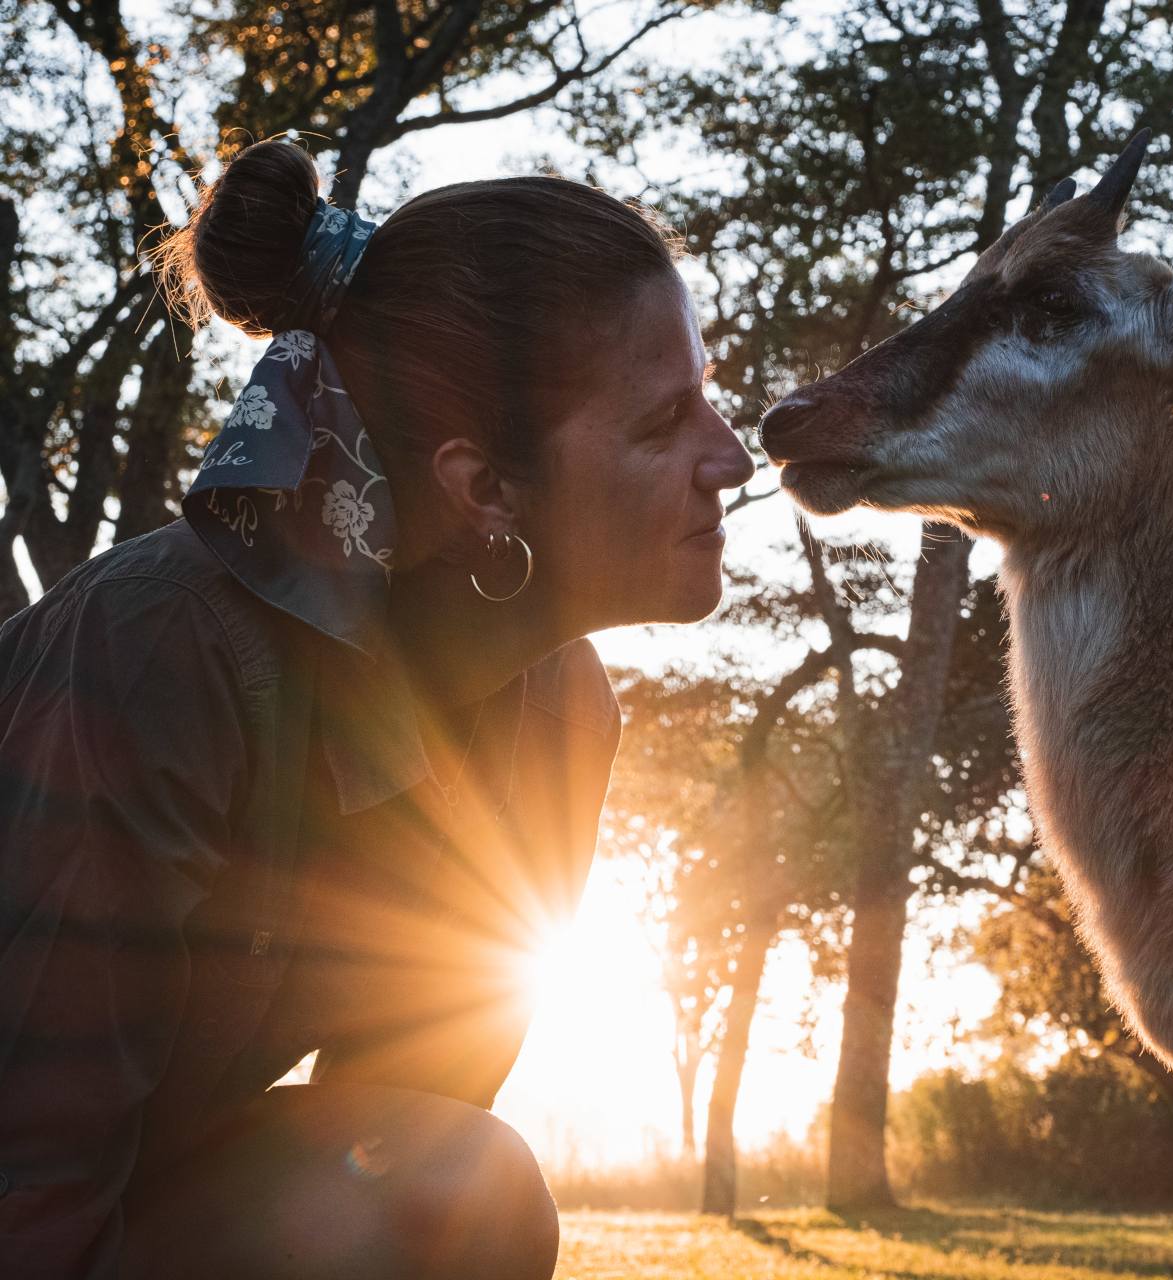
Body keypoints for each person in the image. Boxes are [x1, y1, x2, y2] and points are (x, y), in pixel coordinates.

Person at [0, 140, 753, 1279]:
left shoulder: (562, 713)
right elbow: (29, 1184)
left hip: (133, 1188)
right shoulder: (162, 651)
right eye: (665, 423)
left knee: (462, 1188)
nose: (732, 456)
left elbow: (401, 1141)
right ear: (485, 488)